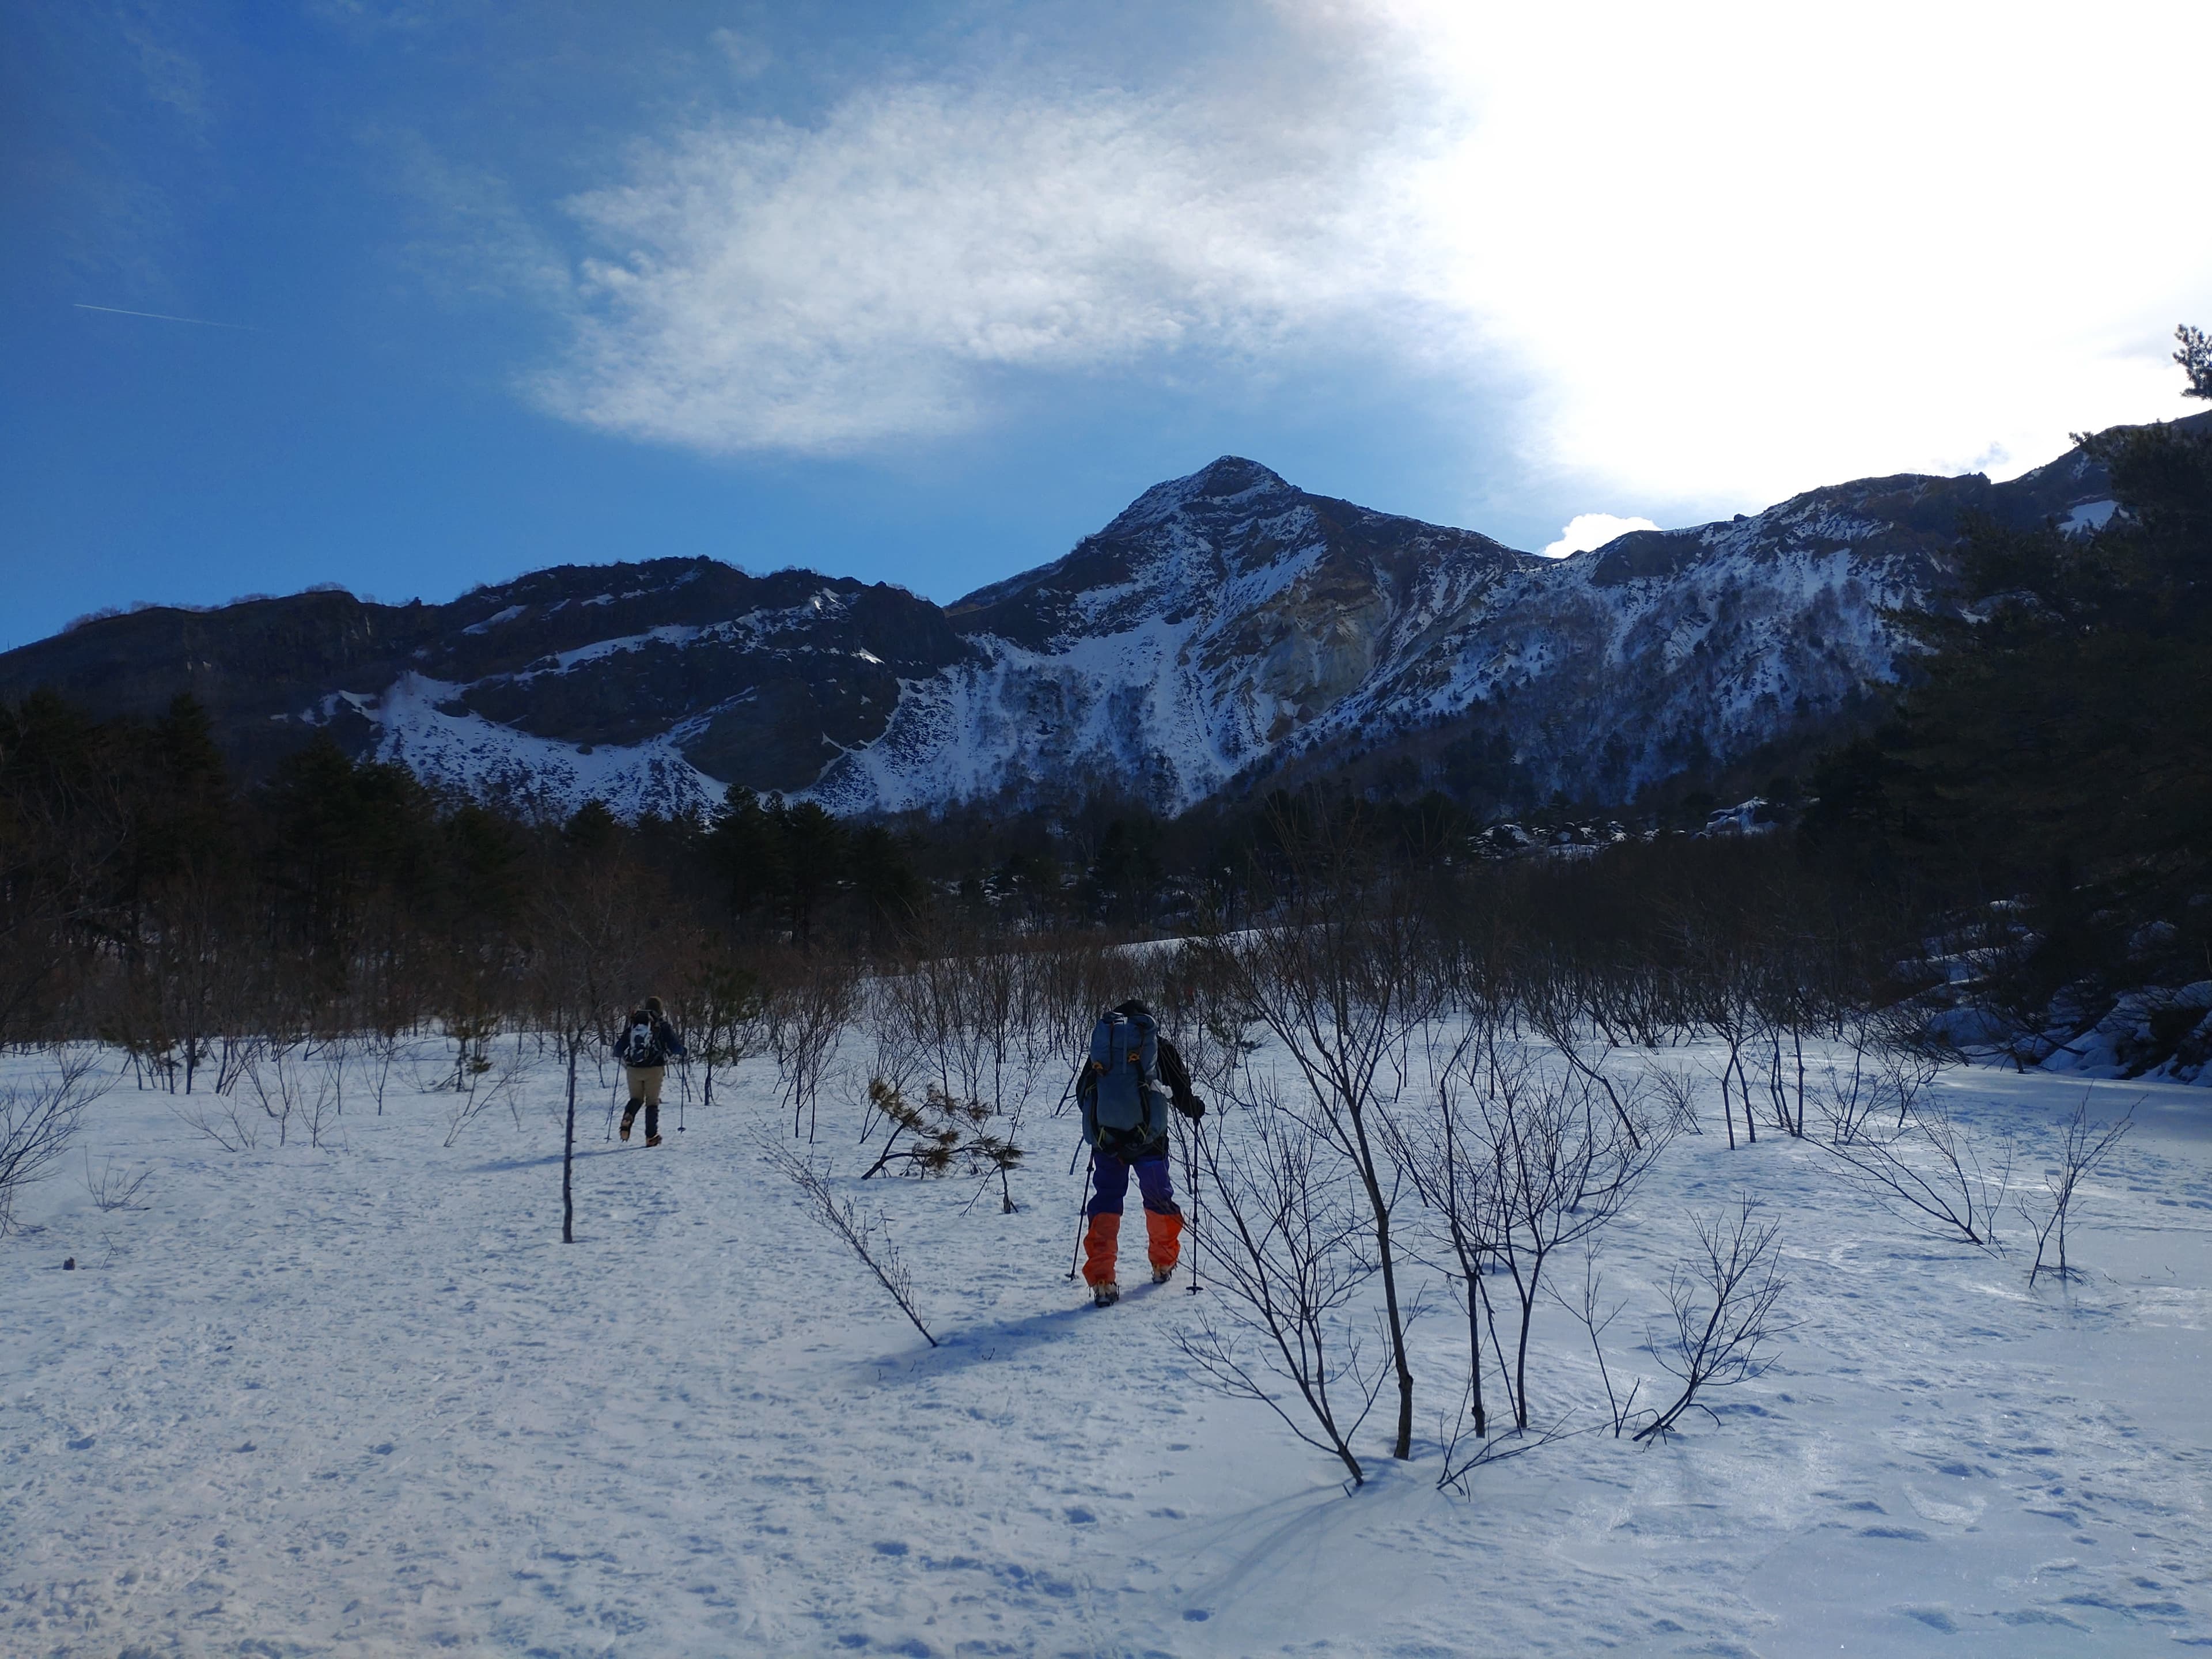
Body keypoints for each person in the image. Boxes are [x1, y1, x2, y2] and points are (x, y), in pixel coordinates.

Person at [1077, 998, 1205, 1306]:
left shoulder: (1104, 1048)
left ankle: (1103, 1279)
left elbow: (1084, 1095)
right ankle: (1163, 1263)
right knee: (1158, 1198)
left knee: (1107, 1200)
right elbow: (1181, 1093)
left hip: (1107, 1142)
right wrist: (1195, 1109)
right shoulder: (1157, 1047)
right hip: (1151, 1140)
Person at [617, 995, 687, 1147]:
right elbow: (675, 1048)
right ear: (660, 1010)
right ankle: (651, 1137)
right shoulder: (662, 1025)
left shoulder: (635, 1024)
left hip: (633, 1068)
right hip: (654, 1069)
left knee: (636, 1099)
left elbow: (618, 1049)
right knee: (652, 1103)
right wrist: (683, 1051)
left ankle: (628, 1116)